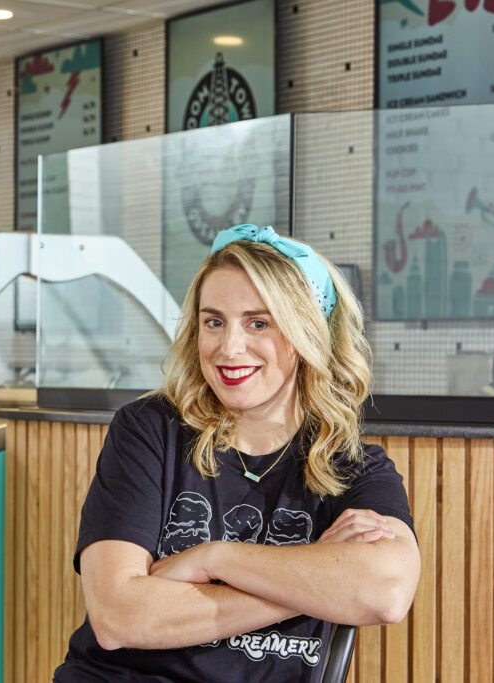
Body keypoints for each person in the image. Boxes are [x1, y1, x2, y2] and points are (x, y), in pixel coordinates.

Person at [53, 225, 420, 682]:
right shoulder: (150, 431)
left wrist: (215, 560)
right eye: (214, 322)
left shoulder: (355, 469)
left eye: (258, 323)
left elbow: (385, 591)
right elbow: (117, 616)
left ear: (307, 334)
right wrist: (312, 583)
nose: (228, 348)